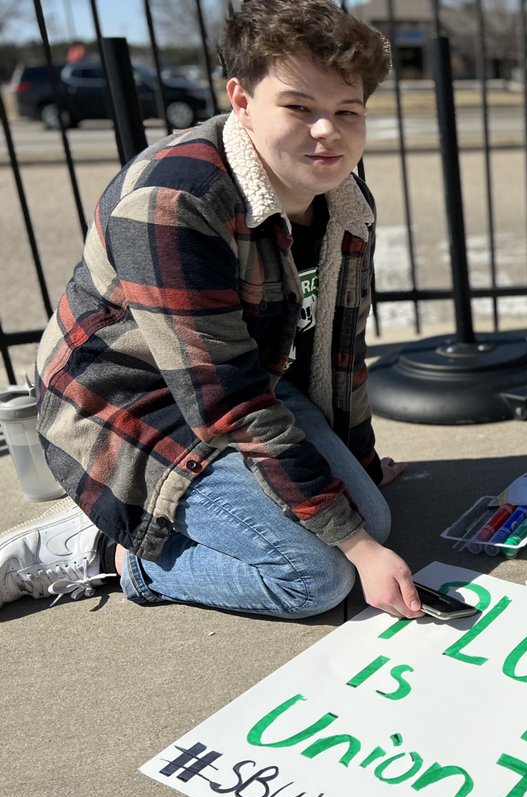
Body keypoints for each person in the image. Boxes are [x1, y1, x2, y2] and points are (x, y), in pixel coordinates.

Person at [0, 0, 425, 619]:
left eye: (346, 111)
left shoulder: (343, 196)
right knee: (316, 577)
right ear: (242, 100)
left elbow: (338, 348)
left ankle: (187, 520)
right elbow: (228, 401)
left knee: (375, 519)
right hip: (128, 405)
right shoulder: (174, 200)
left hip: (243, 382)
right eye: (298, 107)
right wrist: (352, 541)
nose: (326, 131)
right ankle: (109, 550)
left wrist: (356, 469)